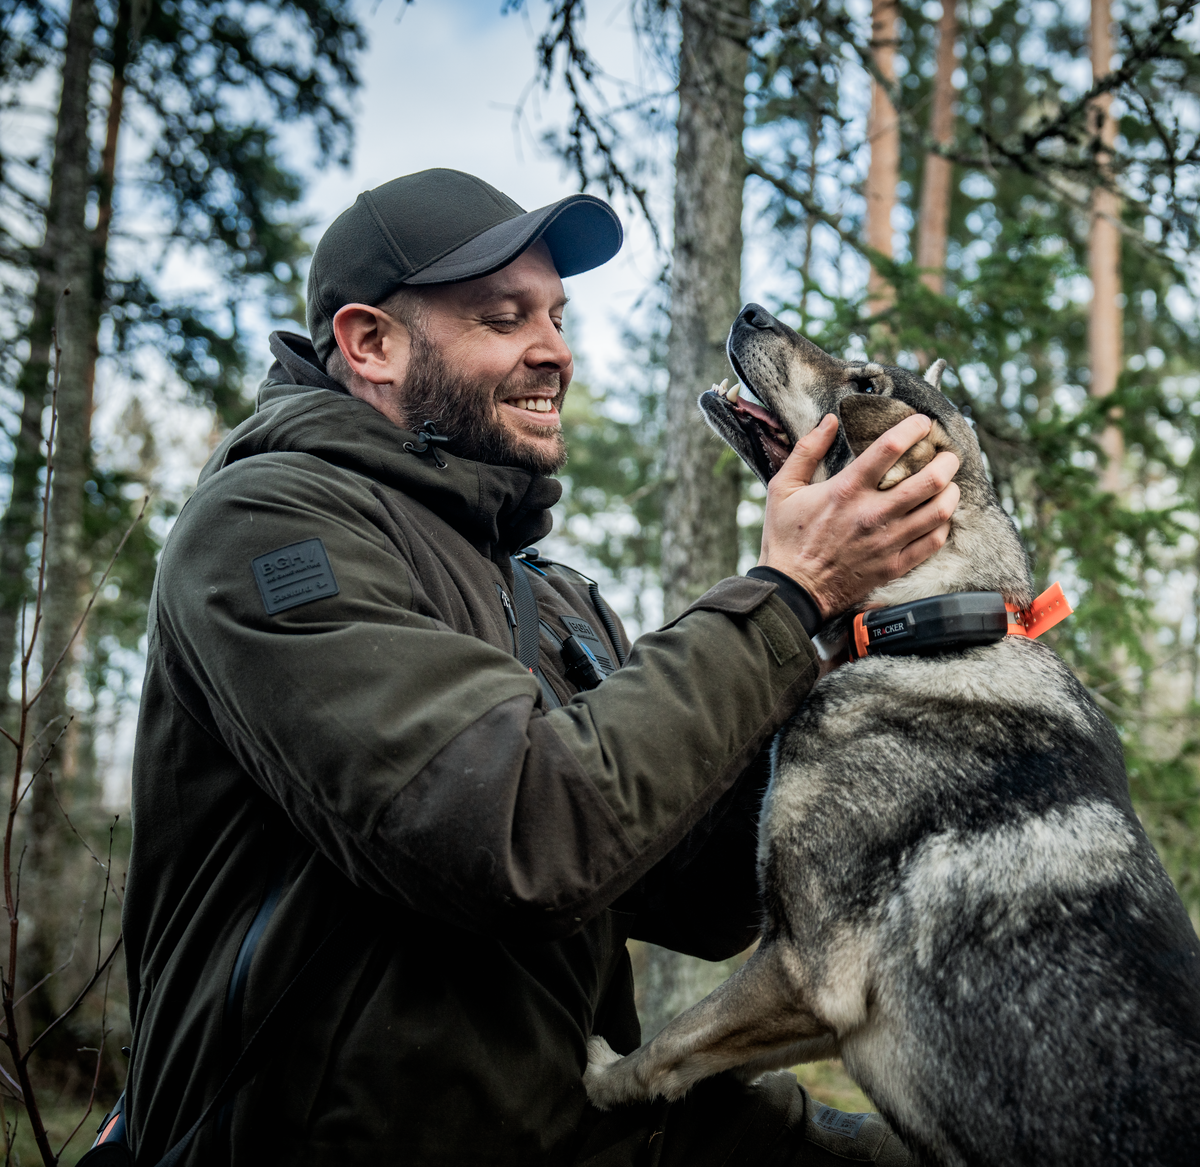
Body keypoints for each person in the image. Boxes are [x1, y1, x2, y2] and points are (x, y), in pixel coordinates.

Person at [111, 169, 957, 1166]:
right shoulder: (268, 528)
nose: (554, 348)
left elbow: (697, 896)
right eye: (503, 317)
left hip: (589, 1121)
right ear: (370, 344)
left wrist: (841, 643)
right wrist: (784, 597)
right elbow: (520, 839)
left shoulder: (551, 595)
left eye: (556, 314)